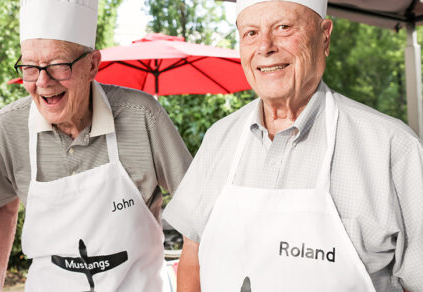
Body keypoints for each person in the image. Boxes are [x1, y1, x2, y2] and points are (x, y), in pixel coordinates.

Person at [163, 0, 423, 291]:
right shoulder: (218, 138)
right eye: (250, 33)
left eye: (284, 28)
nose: (265, 47)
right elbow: (192, 255)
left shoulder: (393, 148)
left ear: (325, 37)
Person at [0, 1, 192, 291]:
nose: (43, 82)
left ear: (93, 64)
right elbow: (3, 208)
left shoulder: (142, 116)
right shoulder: (7, 129)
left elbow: (198, 213)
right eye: (30, 67)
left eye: (58, 65)